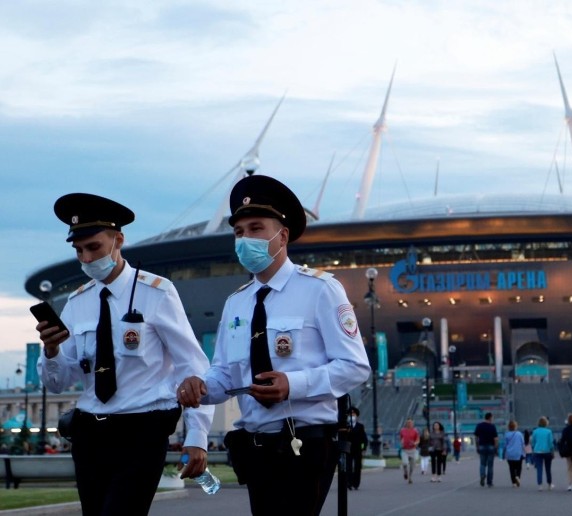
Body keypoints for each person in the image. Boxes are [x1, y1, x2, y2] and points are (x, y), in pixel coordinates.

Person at [177, 175, 371, 516]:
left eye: (255, 228)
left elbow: (355, 366)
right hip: (255, 444)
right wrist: (202, 386)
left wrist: (291, 385)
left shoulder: (320, 290)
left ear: (282, 236)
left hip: (305, 441)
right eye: (238, 232)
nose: (245, 239)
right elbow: (225, 372)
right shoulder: (236, 303)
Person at [37, 193, 214, 516]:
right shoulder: (78, 302)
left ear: (118, 240)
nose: (87, 259)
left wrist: (198, 435)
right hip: (90, 433)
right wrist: (51, 351)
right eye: (79, 251)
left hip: (141, 433)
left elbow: (194, 367)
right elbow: (60, 382)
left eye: (94, 248)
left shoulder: (156, 292)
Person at [346, 407, 368, 490]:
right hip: (348, 449)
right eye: (350, 414)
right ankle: (349, 482)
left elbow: (364, 439)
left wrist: (363, 448)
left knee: (357, 467)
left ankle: (356, 483)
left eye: (353, 414)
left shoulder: (360, 426)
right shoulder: (346, 426)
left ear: (356, 416)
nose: (351, 416)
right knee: (348, 467)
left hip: (358, 449)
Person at [474, 412, 499, 487]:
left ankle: (482, 475)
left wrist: (477, 446)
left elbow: (476, 437)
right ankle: (489, 482)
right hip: (491, 446)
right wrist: (496, 448)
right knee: (490, 465)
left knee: (482, 463)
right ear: (490, 417)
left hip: (481, 446)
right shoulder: (492, 426)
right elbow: (496, 439)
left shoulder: (479, 426)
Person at [530, 416, 555, 491]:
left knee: (539, 469)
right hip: (547, 451)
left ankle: (540, 485)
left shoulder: (535, 431)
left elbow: (533, 442)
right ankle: (549, 484)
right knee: (548, 468)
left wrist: (534, 448)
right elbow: (550, 443)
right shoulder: (549, 431)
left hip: (537, 451)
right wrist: (552, 451)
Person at [502, 420, 525, 487]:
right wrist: (524, 452)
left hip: (510, 454)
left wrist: (503, 454)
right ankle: (518, 476)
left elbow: (505, 445)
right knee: (519, 467)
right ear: (515, 426)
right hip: (518, 453)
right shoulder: (519, 434)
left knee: (511, 468)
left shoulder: (507, 434)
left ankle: (513, 483)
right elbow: (522, 444)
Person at [399, 418, 419, 484]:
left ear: (412, 424)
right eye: (408, 422)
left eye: (410, 423)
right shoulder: (402, 430)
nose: (409, 424)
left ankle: (410, 477)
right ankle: (405, 472)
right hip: (405, 450)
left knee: (412, 466)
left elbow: (418, 440)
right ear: (406, 423)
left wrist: (415, 443)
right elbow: (401, 438)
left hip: (412, 450)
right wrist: (401, 442)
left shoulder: (415, 431)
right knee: (405, 463)